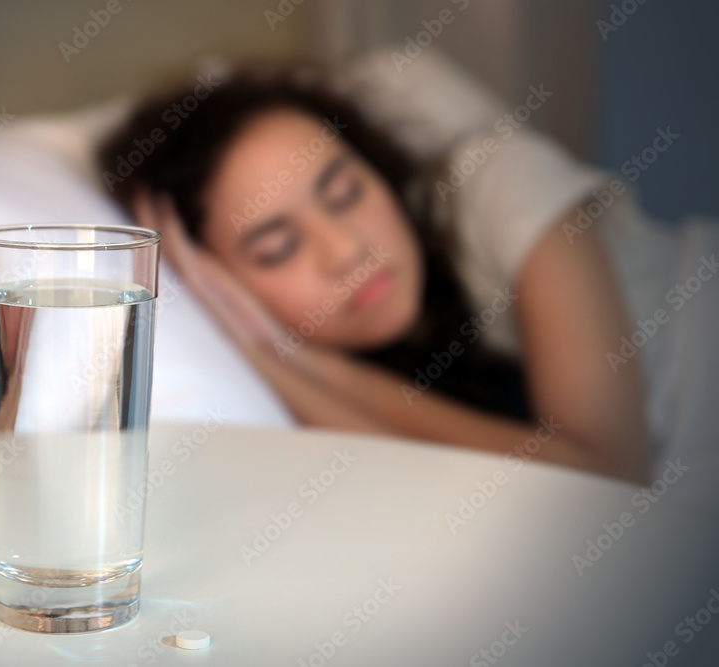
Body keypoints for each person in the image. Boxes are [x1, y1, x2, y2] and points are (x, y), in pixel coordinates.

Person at [97, 66, 648, 483]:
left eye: (345, 193)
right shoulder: (378, 354)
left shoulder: (504, 186)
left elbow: (607, 480)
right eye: (280, 246)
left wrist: (294, 364)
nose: (345, 249)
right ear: (222, 285)